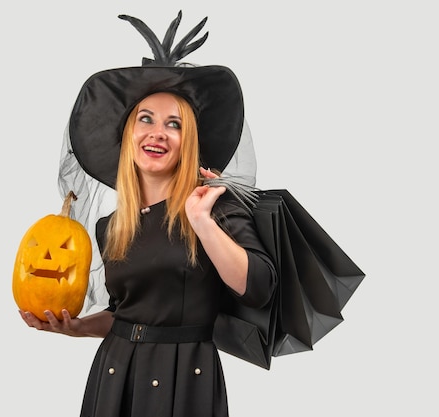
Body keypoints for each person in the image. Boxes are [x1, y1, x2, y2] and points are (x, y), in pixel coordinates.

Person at [19, 12, 277, 417]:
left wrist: (203, 222)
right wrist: (79, 327)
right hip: (114, 374)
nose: (158, 132)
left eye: (173, 124)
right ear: (128, 136)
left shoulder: (214, 207)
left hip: (187, 380)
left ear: (187, 140)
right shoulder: (111, 227)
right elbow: (125, 316)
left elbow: (258, 286)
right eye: (146, 119)